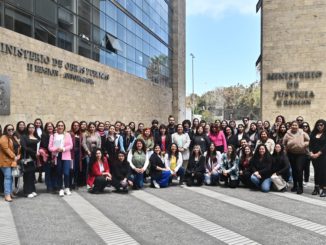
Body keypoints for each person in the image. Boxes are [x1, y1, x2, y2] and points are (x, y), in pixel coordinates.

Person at [283, 121, 310, 194]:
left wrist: (303, 144)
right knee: (294, 170)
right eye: (293, 125)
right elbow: (284, 143)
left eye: (296, 125)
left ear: (298, 126)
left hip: (301, 154)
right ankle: (295, 185)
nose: (294, 126)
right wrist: (286, 147)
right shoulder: (287, 134)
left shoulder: (303, 133)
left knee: (299, 170)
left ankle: (300, 187)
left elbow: (308, 140)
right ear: (290, 126)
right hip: (291, 154)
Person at [49, 121, 73, 197]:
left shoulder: (67, 135)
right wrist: (56, 149)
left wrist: (63, 149)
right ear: (56, 127)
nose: (60, 127)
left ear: (64, 127)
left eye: (62, 125)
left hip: (66, 156)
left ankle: (67, 187)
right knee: (59, 173)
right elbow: (50, 147)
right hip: (57, 156)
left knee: (66, 173)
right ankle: (60, 189)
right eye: (59, 125)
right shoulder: (53, 136)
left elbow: (71, 145)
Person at [0, 124, 20, 202]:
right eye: (9, 129)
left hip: (12, 161)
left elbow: (18, 147)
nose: (11, 130)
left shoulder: (13, 138)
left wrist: (18, 155)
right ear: (5, 130)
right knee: (8, 177)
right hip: (5, 161)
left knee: (10, 177)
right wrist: (14, 156)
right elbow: (6, 149)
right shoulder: (3, 138)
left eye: (12, 129)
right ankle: (7, 195)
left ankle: (9, 193)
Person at [21, 123, 40, 198]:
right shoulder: (24, 137)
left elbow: (39, 146)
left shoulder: (37, 137)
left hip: (35, 159)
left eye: (33, 127)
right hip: (28, 158)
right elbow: (24, 147)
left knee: (32, 175)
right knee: (27, 175)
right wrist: (34, 153)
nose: (31, 129)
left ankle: (33, 190)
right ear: (27, 128)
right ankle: (27, 191)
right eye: (30, 127)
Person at [309, 120, 326, 197]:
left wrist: (318, 153)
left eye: (321, 125)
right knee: (316, 171)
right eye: (318, 125)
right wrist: (311, 152)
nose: (319, 126)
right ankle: (316, 188)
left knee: (323, 172)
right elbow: (310, 144)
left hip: (323, 155)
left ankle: (324, 189)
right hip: (314, 156)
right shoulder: (313, 134)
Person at [40, 122, 56, 192]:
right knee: (48, 172)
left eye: (51, 126)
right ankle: (49, 187)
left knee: (54, 172)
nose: (50, 127)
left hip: (55, 156)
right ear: (46, 128)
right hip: (48, 156)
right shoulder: (44, 135)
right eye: (48, 126)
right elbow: (45, 145)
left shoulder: (55, 135)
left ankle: (54, 185)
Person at [69, 121, 83, 189]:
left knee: (77, 169)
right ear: (72, 126)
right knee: (72, 168)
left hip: (78, 154)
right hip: (71, 154)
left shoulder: (80, 134)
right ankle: (70, 183)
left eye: (77, 125)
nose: (76, 126)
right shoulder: (69, 133)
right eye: (74, 125)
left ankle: (75, 183)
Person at [34, 118, 44, 183]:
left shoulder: (42, 130)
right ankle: (34, 177)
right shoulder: (32, 129)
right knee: (34, 163)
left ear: (41, 124)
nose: (38, 124)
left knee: (40, 163)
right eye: (36, 123)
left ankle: (40, 176)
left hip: (41, 148)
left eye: (39, 123)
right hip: (34, 148)